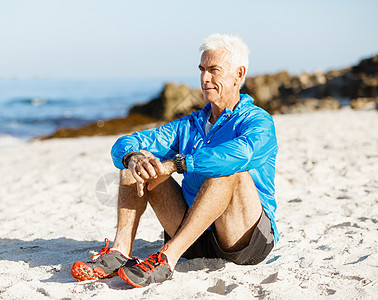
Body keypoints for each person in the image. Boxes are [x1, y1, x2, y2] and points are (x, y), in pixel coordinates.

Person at [71, 33, 279, 288]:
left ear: (239, 74)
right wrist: (134, 158)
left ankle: (167, 259)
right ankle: (120, 253)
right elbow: (124, 144)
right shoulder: (189, 125)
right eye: (202, 69)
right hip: (194, 236)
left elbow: (241, 155)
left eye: (214, 70)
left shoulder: (257, 121)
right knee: (137, 164)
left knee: (230, 171)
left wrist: (175, 165)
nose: (204, 79)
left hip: (243, 239)